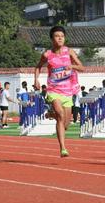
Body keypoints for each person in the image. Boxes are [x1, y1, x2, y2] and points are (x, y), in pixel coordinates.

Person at [34, 26, 84, 157]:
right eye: (57, 36)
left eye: (62, 36)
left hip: (68, 91)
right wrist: (36, 80)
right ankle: (63, 148)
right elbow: (38, 67)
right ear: (52, 39)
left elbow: (82, 68)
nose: (60, 38)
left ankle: (52, 114)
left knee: (65, 124)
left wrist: (72, 65)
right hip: (53, 90)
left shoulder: (69, 52)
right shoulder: (47, 55)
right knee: (60, 115)